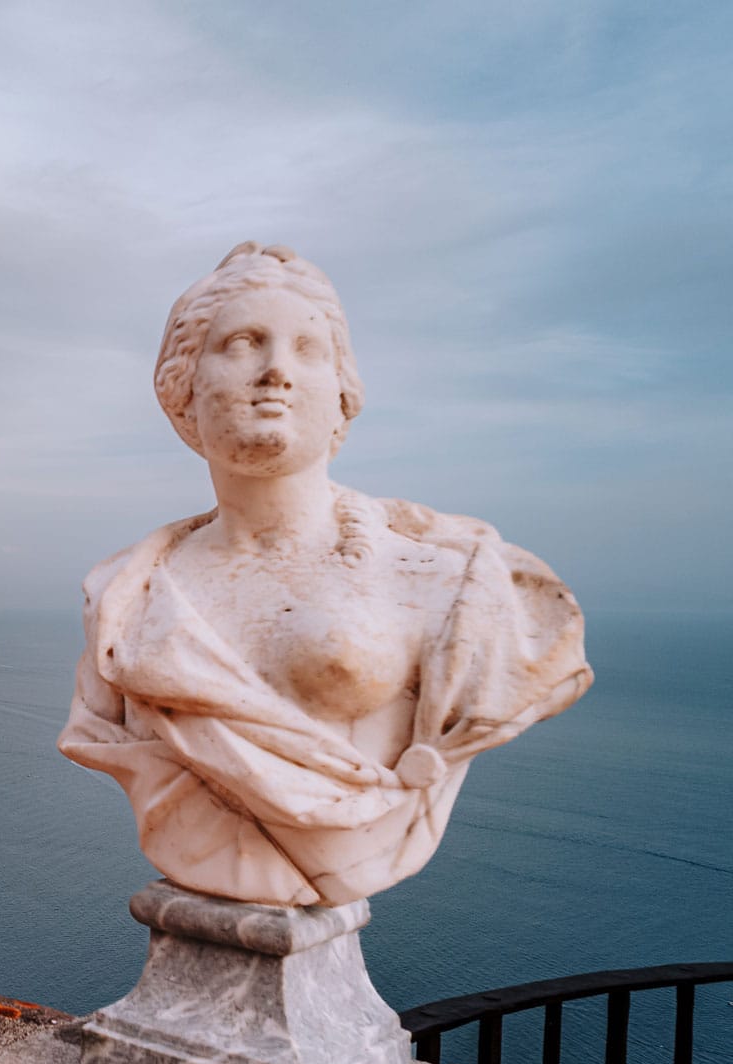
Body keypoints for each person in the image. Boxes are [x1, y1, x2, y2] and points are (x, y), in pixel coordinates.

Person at [58, 243, 592, 907]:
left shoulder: (458, 581)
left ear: (341, 395)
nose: (276, 369)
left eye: (307, 348)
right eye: (244, 343)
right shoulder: (124, 598)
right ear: (183, 388)